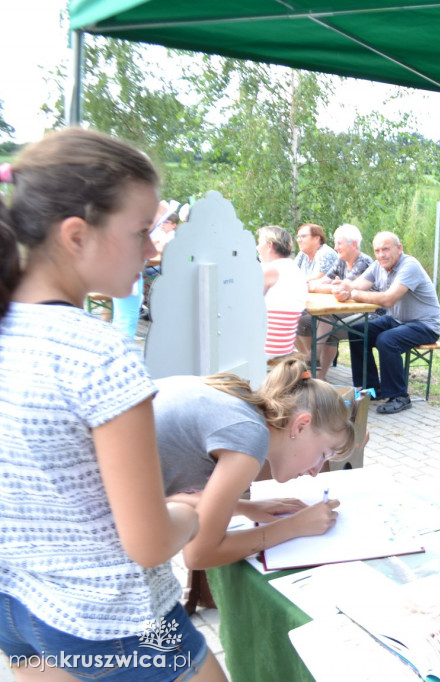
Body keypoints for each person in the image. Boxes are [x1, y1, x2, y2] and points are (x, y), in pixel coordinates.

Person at [0, 129, 225, 680]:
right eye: (141, 231)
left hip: (16, 608)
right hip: (120, 622)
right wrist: (189, 512)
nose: (153, 249)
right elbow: (148, 543)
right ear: (77, 235)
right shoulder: (98, 352)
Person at [157, 356, 354, 569]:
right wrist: (295, 526)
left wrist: (245, 507)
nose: (316, 471)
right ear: (301, 426)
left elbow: (170, 498)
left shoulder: (244, 409)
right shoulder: (250, 438)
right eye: (324, 454)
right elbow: (199, 555)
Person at [333, 231, 440, 414]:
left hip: (425, 325)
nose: (381, 255)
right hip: (399, 320)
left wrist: (354, 295)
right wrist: (342, 288)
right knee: (358, 331)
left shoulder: (409, 266)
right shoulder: (378, 266)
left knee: (386, 340)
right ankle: (372, 390)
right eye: (377, 250)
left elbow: (388, 299)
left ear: (399, 249)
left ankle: (400, 396)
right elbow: (356, 285)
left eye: (386, 249)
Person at [295, 223, 375, 378]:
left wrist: (333, 287)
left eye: (339, 243)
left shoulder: (363, 262)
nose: (335, 247)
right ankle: (314, 367)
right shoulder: (341, 260)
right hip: (343, 309)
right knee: (301, 321)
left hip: (368, 313)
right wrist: (331, 286)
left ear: (353, 244)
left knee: (325, 321)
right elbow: (319, 284)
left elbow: (342, 290)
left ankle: (313, 362)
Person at [256, 225, 308, 359]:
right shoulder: (296, 270)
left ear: (269, 246)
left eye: (259, 243)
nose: (257, 248)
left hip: (265, 348)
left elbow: (248, 304)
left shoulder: (270, 270)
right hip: (285, 345)